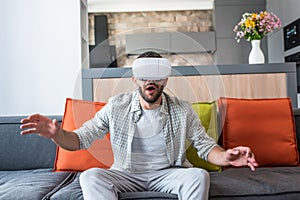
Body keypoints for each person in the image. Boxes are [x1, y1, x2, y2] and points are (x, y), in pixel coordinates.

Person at [20, 51, 258, 200]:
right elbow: (80, 139)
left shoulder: (181, 109)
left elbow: (206, 147)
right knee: (91, 176)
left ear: (165, 79)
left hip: (169, 173)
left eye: (156, 75)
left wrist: (227, 157)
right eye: (144, 75)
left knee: (198, 176)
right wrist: (56, 134)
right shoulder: (117, 106)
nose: (150, 81)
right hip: (125, 174)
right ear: (135, 79)